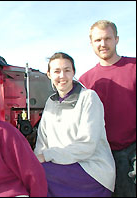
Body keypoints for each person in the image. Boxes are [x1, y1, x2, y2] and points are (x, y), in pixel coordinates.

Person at [34, 52, 116, 197]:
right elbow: (42, 142)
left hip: (92, 169)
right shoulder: (50, 102)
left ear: (73, 72)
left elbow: (87, 145)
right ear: (49, 74)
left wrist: (47, 156)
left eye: (67, 70)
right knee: (30, 174)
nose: (62, 76)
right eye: (57, 71)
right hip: (59, 167)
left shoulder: (89, 97)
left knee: (39, 176)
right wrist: (35, 161)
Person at [79, 20, 136, 197]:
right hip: (102, 154)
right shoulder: (85, 81)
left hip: (133, 149)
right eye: (98, 40)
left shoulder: (133, 68)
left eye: (107, 38)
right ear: (91, 44)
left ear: (116, 39)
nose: (103, 44)